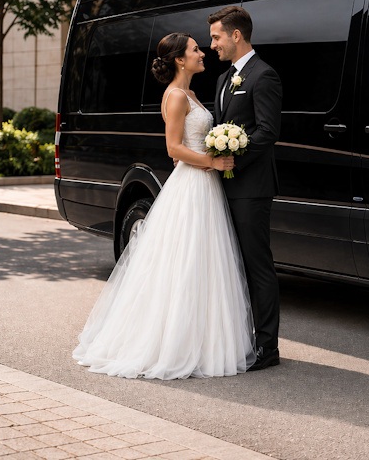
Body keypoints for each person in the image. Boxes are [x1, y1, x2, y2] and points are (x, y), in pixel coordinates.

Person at [73, 33, 256, 379]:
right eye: (195, 50)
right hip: (191, 185)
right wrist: (212, 161)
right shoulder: (174, 96)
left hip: (204, 186)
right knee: (183, 262)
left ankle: (204, 341)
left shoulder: (192, 94)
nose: (202, 53)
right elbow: (173, 148)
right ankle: (171, 345)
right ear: (179, 59)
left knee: (204, 261)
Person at [210, 6, 283, 371]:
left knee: (257, 266)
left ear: (236, 35)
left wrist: (233, 157)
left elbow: (268, 131)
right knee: (231, 265)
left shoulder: (263, 75)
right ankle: (240, 340)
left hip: (252, 189)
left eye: (216, 37)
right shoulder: (224, 79)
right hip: (223, 187)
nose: (213, 45)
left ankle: (267, 348)